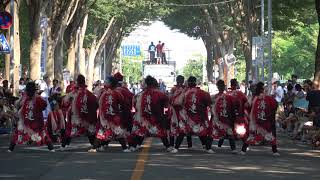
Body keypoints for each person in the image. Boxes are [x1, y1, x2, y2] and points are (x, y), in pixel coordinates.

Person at [171, 76, 213, 153]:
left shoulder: (183, 92)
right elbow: (209, 103)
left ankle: (176, 148)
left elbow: (176, 102)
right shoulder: (203, 93)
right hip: (198, 116)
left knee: (182, 132)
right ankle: (208, 148)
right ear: (195, 83)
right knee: (201, 132)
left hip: (186, 116)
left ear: (188, 83)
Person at [8, 82, 54, 152]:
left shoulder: (32, 98)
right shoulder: (32, 98)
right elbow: (44, 106)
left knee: (19, 132)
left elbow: (18, 104)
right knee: (42, 133)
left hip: (31, 120)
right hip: (33, 120)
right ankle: (51, 148)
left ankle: (11, 148)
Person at [89, 76, 130, 153]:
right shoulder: (102, 91)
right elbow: (97, 102)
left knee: (117, 132)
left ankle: (125, 148)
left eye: (106, 81)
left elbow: (122, 103)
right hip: (105, 116)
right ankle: (95, 147)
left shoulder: (115, 93)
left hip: (113, 116)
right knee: (102, 132)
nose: (104, 82)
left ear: (110, 83)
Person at [130, 76, 170, 151]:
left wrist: (134, 114)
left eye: (144, 82)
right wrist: (166, 114)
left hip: (143, 118)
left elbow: (134, 106)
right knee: (161, 133)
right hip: (156, 117)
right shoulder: (160, 93)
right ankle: (168, 147)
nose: (142, 84)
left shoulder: (139, 95)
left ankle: (134, 146)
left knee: (141, 131)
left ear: (147, 84)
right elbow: (166, 104)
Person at [240, 82, 279, 156]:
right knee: (269, 135)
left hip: (255, 120)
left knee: (252, 135)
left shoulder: (253, 97)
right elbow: (275, 105)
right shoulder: (268, 97)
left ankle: (243, 150)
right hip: (265, 120)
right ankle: (275, 151)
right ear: (263, 89)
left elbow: (246, 105)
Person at [63, 74, 98, 148]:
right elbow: (95, 103)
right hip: (86, 116)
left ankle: (63, 145)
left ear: (77, 82)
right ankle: (95, 146)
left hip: (75, 115)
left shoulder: (74, 92)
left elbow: (65, 101)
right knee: (89, 132)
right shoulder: (88, 93)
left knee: (70, 130)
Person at [211, 80, 237, 154]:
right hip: (219, 118)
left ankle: (233, 148)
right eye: (220, 86)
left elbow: (232, 107)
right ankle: (208, 147)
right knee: (215, 132)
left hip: (224, 117)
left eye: (221, 86)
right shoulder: (216, 97)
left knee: (228, 132)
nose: (221, 87)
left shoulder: (228, 97)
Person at [168, 75, 192, 149]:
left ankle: (172, 145)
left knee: (175, 127)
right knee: (183, 126)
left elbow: (169, 99)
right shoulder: (185, 89)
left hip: (176, 111)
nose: (179, 82)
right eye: (179, 80)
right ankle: (189, 145)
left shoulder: (174, 89)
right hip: (181, 111)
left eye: (180, 80)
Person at [114, 72, 135, 148]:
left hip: (114, 113)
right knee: (126, 130)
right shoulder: (126, 91)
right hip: (125, 113)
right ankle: (131, 145)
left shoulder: (110, 91)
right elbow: (133, 99)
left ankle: (101, 145)